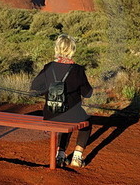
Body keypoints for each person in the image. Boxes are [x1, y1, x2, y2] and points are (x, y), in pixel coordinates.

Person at [31, 34, 93, 168]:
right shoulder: (78, 70)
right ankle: (77, 156)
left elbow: (34, 86)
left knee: (63, 121)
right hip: (72, 114)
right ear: (72, 50)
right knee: (86, 123)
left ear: (57, 49)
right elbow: (87, 94)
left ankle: (60, 155)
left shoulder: (48, 67)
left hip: (50, 113)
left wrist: (47, 89)